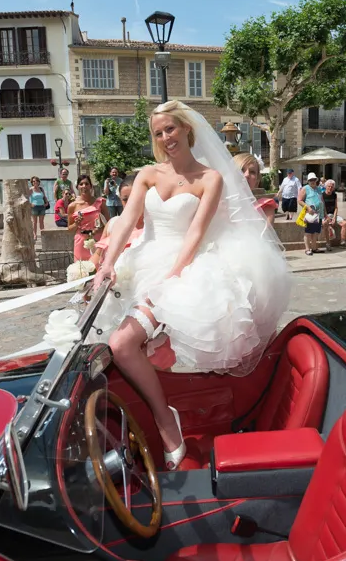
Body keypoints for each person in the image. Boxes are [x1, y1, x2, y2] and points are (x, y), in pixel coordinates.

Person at [92, 100, 291, 471]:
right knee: (105, 343)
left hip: (182, 264)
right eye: (158, 133)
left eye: (170, 128)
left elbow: (196, 234)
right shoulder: (147, 174)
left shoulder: (210, 178)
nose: (165, 137)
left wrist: (172, 278)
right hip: (141, 259)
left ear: (186, 129)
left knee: (122, 343)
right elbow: (125, 222)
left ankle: (165, 420)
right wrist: (106, 265)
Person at [92, 176, 144, 269]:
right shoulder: (113, 224)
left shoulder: (155, 226)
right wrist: (83, 271)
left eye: (134, 197)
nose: (131, 203)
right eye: (125, 199)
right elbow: (98, 254)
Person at [68, 175, 109, 262]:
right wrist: (76, 224)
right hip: (81, 241)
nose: (84, 186)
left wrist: (99, 228)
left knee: (98, 267)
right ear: (77, 187)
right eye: (81, 184)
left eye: (86, 184)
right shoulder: (72, 206)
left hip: (98, 239)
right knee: (81, 270)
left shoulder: (100, 202)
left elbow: (108, 223)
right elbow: (70, 229)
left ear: (90, 186)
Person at [233, 153, 277, 225]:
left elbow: (265, 234)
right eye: (241, 170)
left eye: (252, 172)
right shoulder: (218, 204)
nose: (247, 175)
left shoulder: (264, 207)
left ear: (257, 180)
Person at [298, 172, 325, 255]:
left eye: (314, 179)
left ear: (316, 180)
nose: (312, 181)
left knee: (316, 232)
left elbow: (322, 201)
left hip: (319, 213)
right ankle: (307, 249)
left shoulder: (319, 188)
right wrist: (308, 207)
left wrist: (325, 213)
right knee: (308, 232)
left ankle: (314, 248)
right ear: (308, 181)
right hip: (310, 214)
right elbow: (299, 200)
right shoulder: (305, 188)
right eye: (310, 180)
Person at [322, 179, 346, 248]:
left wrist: (334, 218)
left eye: (332, 186)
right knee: (325, 224)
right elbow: (323, 207)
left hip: (333, 214)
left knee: (344, 223)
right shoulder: (322, 195)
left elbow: (336, 207)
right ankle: (328, 243)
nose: (330, 188)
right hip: (325, 214)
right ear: (326, 186)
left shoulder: (334, 195)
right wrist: (327, 217)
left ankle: (342, 242)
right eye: (329, 186)